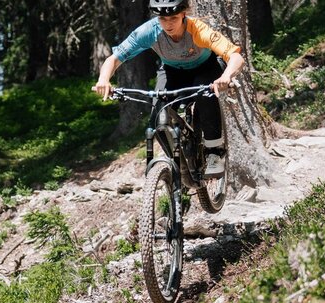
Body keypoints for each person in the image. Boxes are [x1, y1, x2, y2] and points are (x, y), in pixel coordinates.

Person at [92, 0, 245, 177]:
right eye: (163, 18)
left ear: (183, 14)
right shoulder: (149, 31)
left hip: (205, 68)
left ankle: (214, 152)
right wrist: (103, 80)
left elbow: (235, 56)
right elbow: (114, 59)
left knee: (205, 93)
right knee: (158, 119)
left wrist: (226, 77)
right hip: (172, 71)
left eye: (173, 17)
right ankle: (176, 164)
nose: (168, 23)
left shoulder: (198, 29)